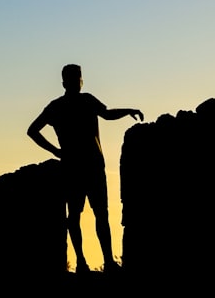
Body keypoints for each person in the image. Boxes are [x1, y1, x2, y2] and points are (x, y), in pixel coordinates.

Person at [27, 64, 144, 274]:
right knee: (79, 215)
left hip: (91, 166)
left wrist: (128, 111)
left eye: (78, 78)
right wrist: (55, 151)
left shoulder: (80, 101)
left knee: (95, 214)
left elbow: (107, 114)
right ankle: (86, 262)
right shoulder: (61, 105)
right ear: (65, 82)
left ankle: (104, 261)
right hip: (79, 167)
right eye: (74, 79)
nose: (77, 82)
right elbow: (32, 130)